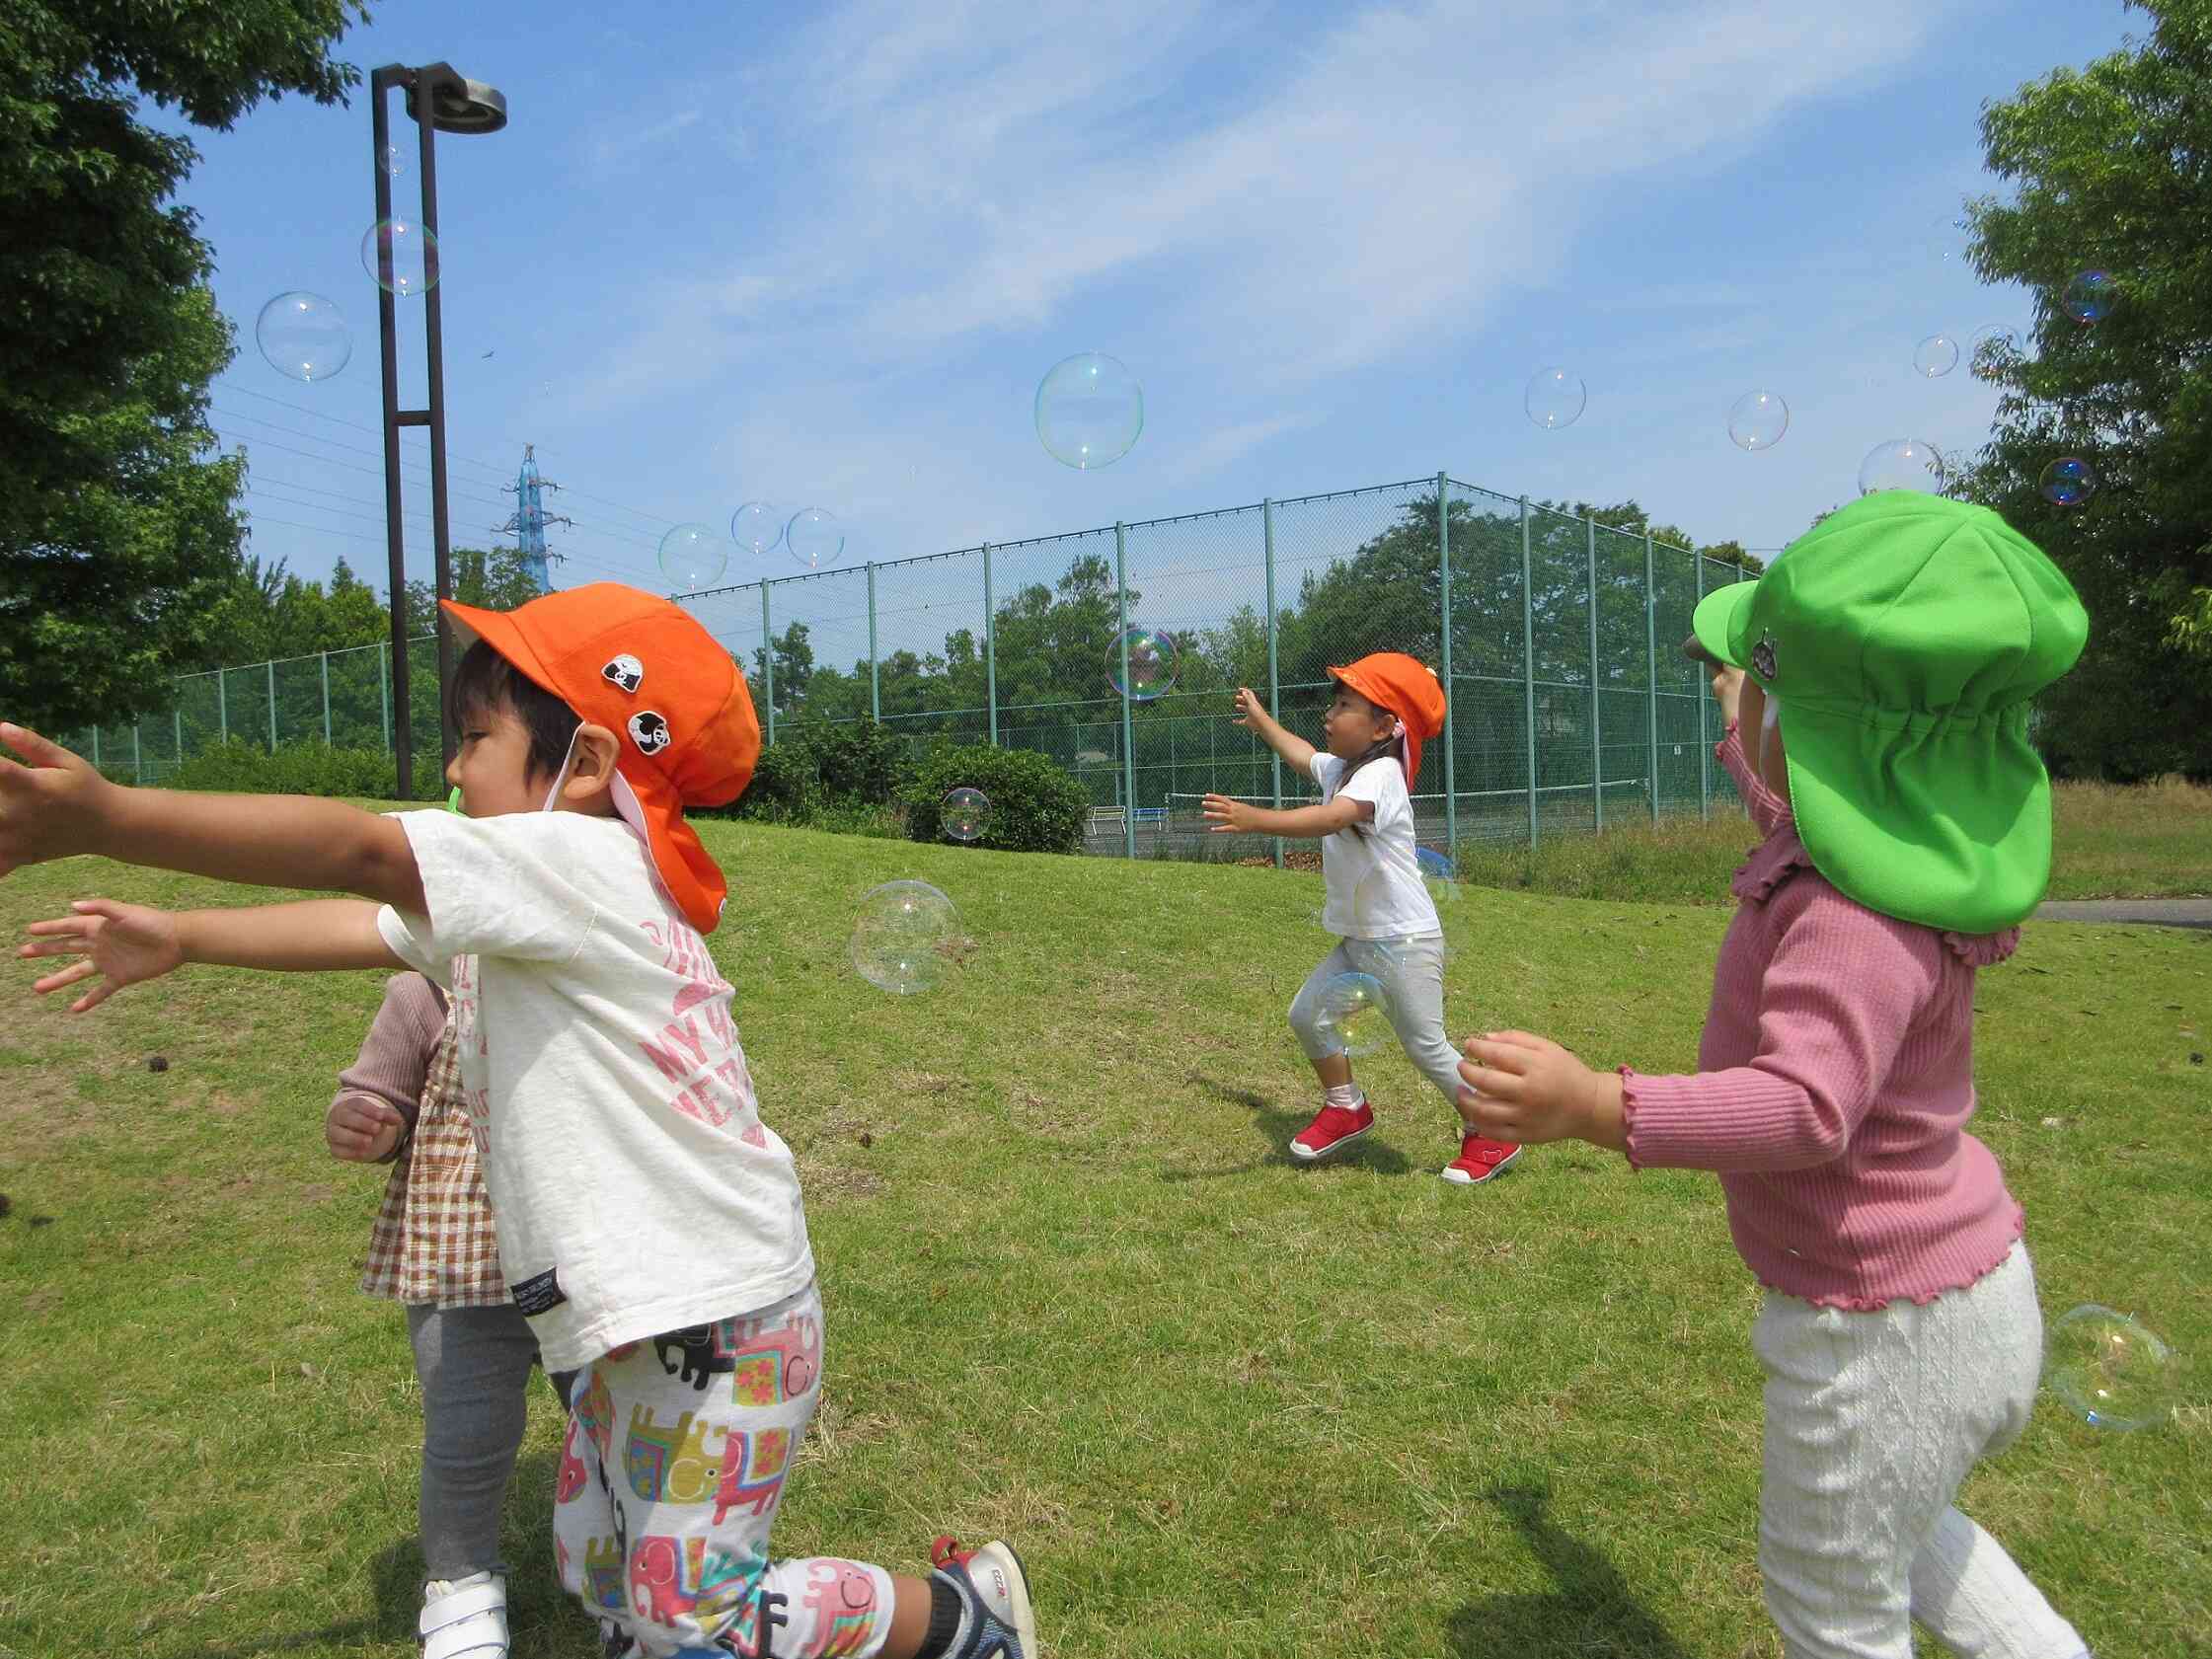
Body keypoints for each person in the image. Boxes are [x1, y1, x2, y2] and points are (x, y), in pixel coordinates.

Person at [4, 583, 1036, 1659]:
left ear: (585, 766)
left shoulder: (578, 862)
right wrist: (185, 935)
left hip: (723, 1316)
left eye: (474, 739)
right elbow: (371, 922)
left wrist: (108, 816)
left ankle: (963, 1615)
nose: (452, 771)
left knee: (693, 1610)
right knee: (599, 1570)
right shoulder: (551, 886)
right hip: (634, 1315)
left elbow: (361, 855)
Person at [1454, 492, 2093, 1658]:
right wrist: (1748, 713)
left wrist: (1597, 1104)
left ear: (1824, 737)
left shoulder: (1847, 917)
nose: (1740, 704)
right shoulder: (1904, 860)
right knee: (1905, 1532)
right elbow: (1795, 806)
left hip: (1878, 1328)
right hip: (1966, 1294)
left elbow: (1808, 1109)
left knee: (1829, 1603)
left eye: (1765, 691)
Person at [328, 967, 576, 1659]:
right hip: (463, 1262)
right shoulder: (422, 993)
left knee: (614, 1419)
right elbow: (376, 1094)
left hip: (582, 1259)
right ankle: (461, 1586)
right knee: (466, 1439)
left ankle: (627, 1551)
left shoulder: (582, 975)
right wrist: (365, 1122)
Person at [1202, 652, 1523, 1184]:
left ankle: (1492, 1130)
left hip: (1402, 941)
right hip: (1361, 940)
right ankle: (1347, 1106)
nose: (1330, 714)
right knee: (1306, 1015)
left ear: (1385, 726)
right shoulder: (1344, 770)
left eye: (1346, 704)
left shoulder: (1382, 776)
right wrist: (1262, 723)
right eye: (1334, 702)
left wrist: (1256, 819)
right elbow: (1303, 754)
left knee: (1425, 1046)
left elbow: (1332, 818)